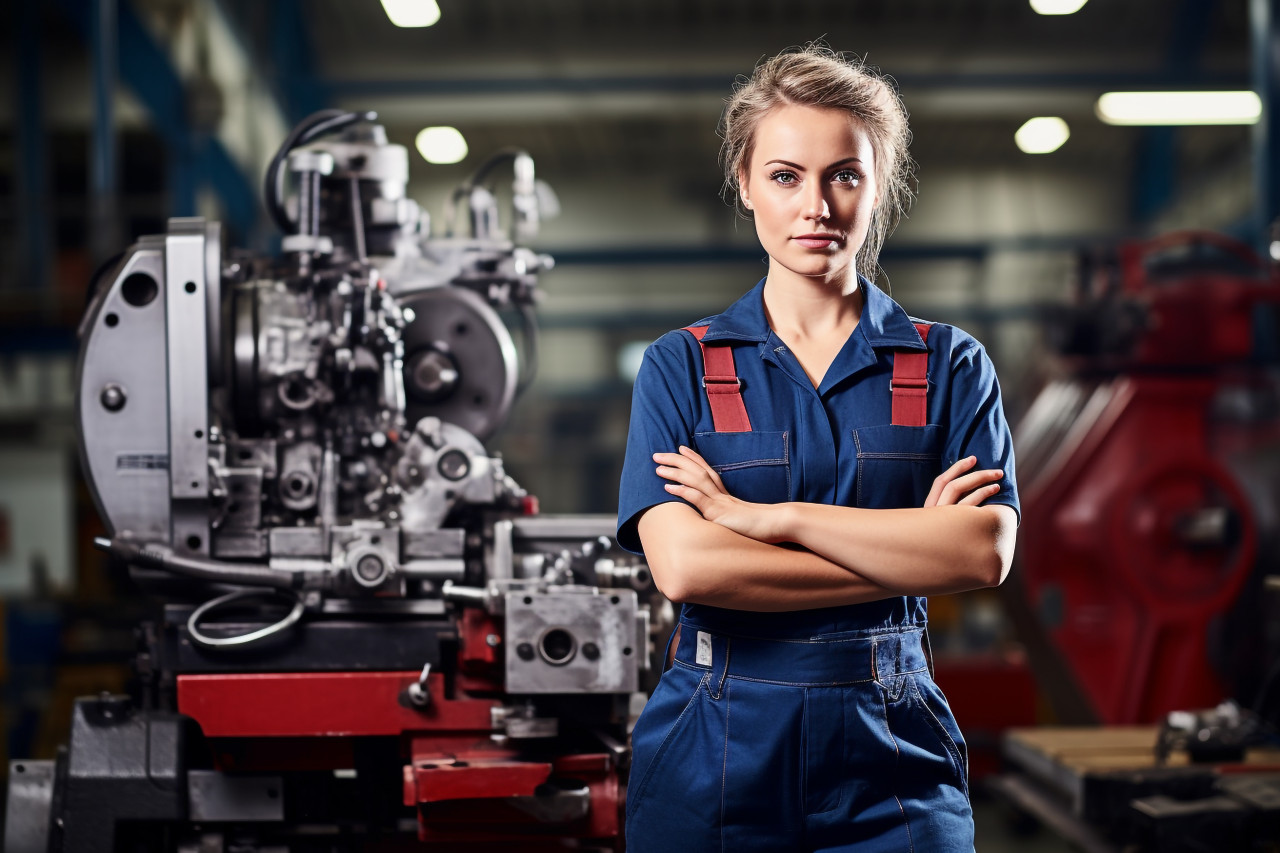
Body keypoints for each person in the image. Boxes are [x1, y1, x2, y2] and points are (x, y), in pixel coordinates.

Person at [616, 46, 1019, 852]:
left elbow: (981, 553)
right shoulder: (681, 365)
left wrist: (769, 520)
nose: (817, 206)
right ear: (745, 182)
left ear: (878, 184)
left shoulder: (950, 364)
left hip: (893, 744)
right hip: (713, 746)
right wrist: (907, 549)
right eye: (786, 175)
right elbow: (689, 569)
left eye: (845, 174)